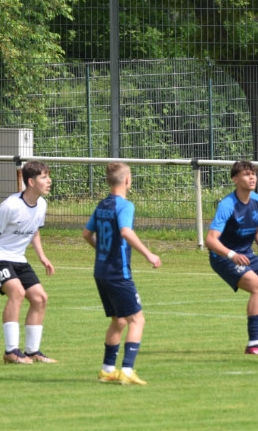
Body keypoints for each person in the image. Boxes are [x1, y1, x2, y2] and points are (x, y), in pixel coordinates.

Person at [83, 162, 162, 385]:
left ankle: (107, 370)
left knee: (119, 321)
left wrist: (103, 251)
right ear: (127, 180)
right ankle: (127, 370)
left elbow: (86, 234)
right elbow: (126, 231)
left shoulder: (102, 205)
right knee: (137, 320)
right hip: (118, 272)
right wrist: (149, 254)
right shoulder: (125, 205)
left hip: (101, 271)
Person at [206, 160, 258, 356]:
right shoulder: (227, 205)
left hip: (247, 255)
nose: (252, 178)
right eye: (246, 174)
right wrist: (231, 254)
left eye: (253, 174)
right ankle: (253, 344)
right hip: (223, 257)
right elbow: (210, 240)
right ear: (235, 179)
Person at [0, 160, 56, 365]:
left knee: (40, 298)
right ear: (31, 182)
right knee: (17, 293)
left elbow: (34, 230)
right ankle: (11, 351)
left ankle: (32, 351)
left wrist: (42, 257)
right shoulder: (10, 205)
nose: (49, 181)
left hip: (19, 258)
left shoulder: (41, 204)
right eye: (44, 177)